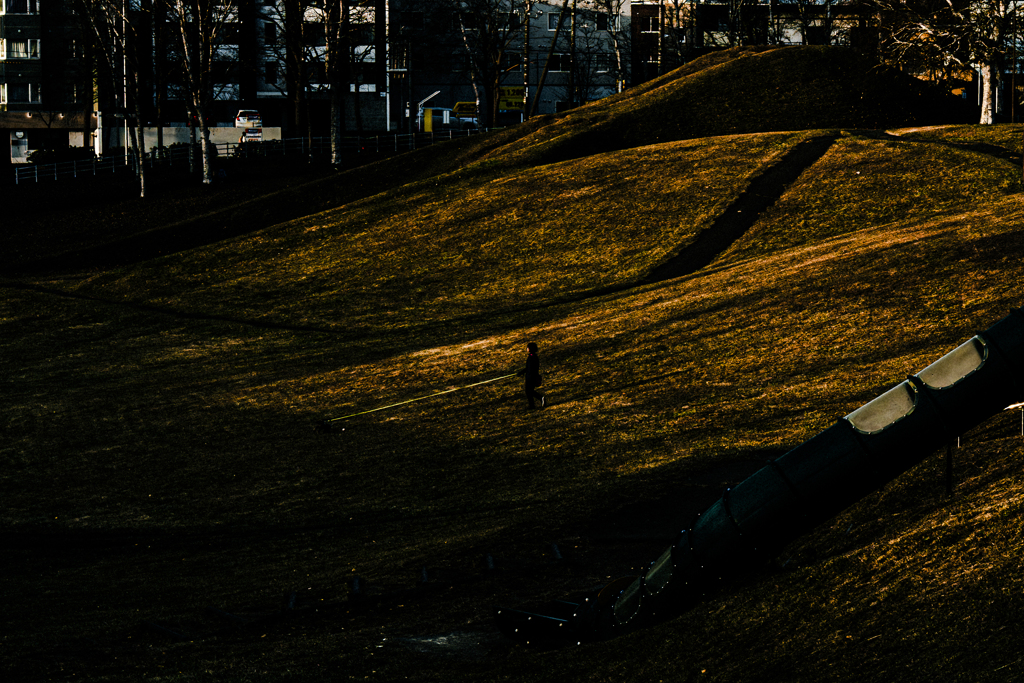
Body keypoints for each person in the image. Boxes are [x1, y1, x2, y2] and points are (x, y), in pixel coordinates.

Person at [520, 342, 546, 409]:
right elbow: (528, 367)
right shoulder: (532, 356)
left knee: (529, 391)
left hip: (531, 377)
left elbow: (530, 368)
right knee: (529, 391)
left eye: (528, 347)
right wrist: (522, 372)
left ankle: (537, 400)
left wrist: (525, 372)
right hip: (531, 376)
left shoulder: (532, 357)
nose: (527, 349)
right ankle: (532, 405)